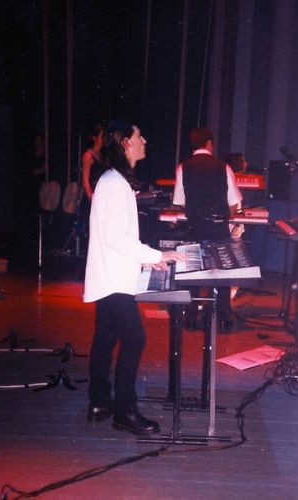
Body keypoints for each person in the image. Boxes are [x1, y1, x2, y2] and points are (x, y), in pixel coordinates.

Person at [83, 120, 186, 436]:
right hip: (114, 278)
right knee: (134, 338)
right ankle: (125, 411)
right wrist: (157, 256)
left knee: (105, 337)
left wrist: (146, 259)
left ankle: (99, 401)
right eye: (139, 136)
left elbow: (116, 237)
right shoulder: (115, 184)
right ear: (126, 142)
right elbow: (117, 238)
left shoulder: (113, 180)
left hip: (110, 274)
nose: (145, 141)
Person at [172, 128, 242, 331]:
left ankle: (191, 317)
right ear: (209, 144)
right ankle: (223, 319)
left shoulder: (183, 167)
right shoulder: (223, 167)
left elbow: (180, 202)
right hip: (218, 226)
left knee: (193, 270)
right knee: (222, 273)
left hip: (195, 226)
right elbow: (233, 203)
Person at [81, 123, 108, 202]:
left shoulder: (103, 154)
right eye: (101, 136)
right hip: (92, 196)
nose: (104, 138)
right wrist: (92, 199)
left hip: (102, 195)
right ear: (94, 138)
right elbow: (85, 180)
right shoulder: (88, 155)